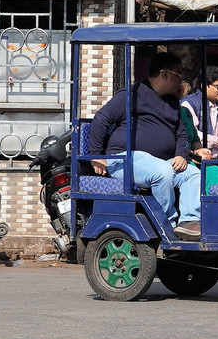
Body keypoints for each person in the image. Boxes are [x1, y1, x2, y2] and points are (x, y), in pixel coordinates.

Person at [85, 54, 202, 239]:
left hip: (162, 161)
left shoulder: (172, 102)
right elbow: (101, 119)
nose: (181, 79)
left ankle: (188, 221)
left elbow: (182, 134)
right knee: (163, 172)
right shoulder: (132, 95)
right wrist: (96, 156)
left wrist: (180, 154)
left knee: (193, 174)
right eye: (178, 74)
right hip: (125, 159)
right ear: (164, 74)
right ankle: (166, 226)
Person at [179, 67, 218, 163]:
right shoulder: (189, 104)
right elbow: (191, 133)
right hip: (195, 161)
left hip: (215, 161)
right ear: (204, 86)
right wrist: (217, 141)